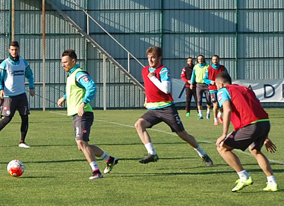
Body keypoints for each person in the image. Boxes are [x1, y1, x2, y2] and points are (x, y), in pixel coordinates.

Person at [134, 46, 213, 166]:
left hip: (167, 108)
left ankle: (202, 153)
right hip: (153, 109)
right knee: (139, 125)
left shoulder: (163, 70)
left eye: (153, 57)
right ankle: (152, 153)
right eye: (149, 57)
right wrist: (146, 99)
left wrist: (153, 77)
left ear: (159, 58)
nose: (150, 60)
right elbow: (148, 87)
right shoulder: (145, 70)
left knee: (183, 135)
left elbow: (166, 89)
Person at [57, 50, 119, 179]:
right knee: (82, 146)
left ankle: (96, 172)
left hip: (83, 114)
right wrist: (64, 98)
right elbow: (74, 90)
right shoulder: (71, 75)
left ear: (73, 61)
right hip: (76, 115)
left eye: (65, 62)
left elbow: (91, 86)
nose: (63, 65)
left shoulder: (79, 74)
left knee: (81, 143)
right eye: (62, 62)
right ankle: (109, 159)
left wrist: (83, 103)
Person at [215, 72, 278, 192]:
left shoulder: (223, 90)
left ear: (221, 84)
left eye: (216, 84)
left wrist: (224, 134)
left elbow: (227, 110)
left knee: (222, 148)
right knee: (255, 150)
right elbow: (257, 106)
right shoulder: (245, 89)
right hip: (264, 122)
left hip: (250, 125)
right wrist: (266, 137)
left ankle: (243, 177)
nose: (216, 87)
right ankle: (272, 182)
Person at [0, 41, 35, 148]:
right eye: (12, 49)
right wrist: (0, 89)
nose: (14, 52)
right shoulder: (5, 64)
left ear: (18, 50)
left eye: (16, 49)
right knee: (7, 118)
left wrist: (32, 87)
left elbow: (30, 75)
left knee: (25, 117)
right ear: (9, 50)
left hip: (21, 94)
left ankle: (22, 141)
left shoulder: (24, 63)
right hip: (9, 96)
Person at [204, 55, 228, 126]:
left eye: (216, 59)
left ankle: (219, 114)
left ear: (219, 60)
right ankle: (215, 119)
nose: (215, 61)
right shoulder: (208, 69)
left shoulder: (223, 68)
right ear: (212, 60)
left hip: (221, 88)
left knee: (223, 104)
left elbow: (227, 76)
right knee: (215, 104)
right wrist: (210, 82)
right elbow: (205, 79)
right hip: (213, 89)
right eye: (213, 59)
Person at [191, 55, 210, 120]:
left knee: (208, 99)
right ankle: (201, 114)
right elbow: (193, 75)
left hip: (206, 85)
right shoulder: (195, 67)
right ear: (197, 60)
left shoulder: (207, 66)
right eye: (199, 59)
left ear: (203, 59)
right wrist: (191, 83)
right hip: (198, 85)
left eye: (201, 59)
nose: (200, 60)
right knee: (199, 100)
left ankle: (208, 113)